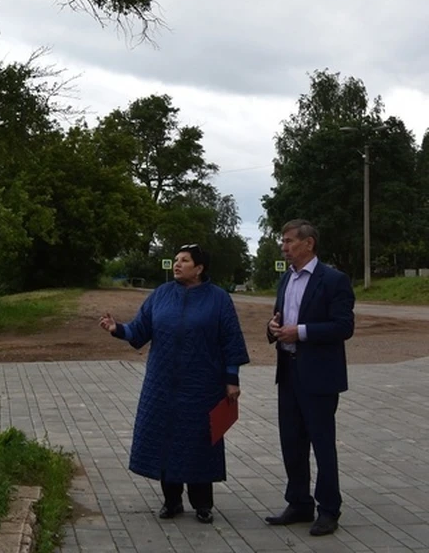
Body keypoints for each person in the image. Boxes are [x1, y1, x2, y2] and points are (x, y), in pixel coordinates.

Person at [99, 244, 249, 524]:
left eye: (184, 261)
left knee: (200, 441)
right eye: (176, 260)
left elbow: (231, 340)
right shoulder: (161, 294)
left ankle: (202, 504)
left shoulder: (218, 299)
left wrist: (232, 379)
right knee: (165, 440)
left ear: (200, 268)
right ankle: (171, 501)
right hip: (162, 383)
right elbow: (139, 330)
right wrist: (116, 329)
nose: (177, 265)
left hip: (202, 384)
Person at [265, 219, 354, 537]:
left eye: (289, 242)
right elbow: (279, 319)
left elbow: (344, 327)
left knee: (322, 443)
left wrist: (299, 332)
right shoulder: (285, 280)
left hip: (319, 376)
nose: (284, 247)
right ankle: (299, 502)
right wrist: (273, 329)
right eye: (283, 242)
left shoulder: (333, 280)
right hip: (288, 371)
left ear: (308, 244)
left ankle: (328, 509)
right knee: (292, 441)